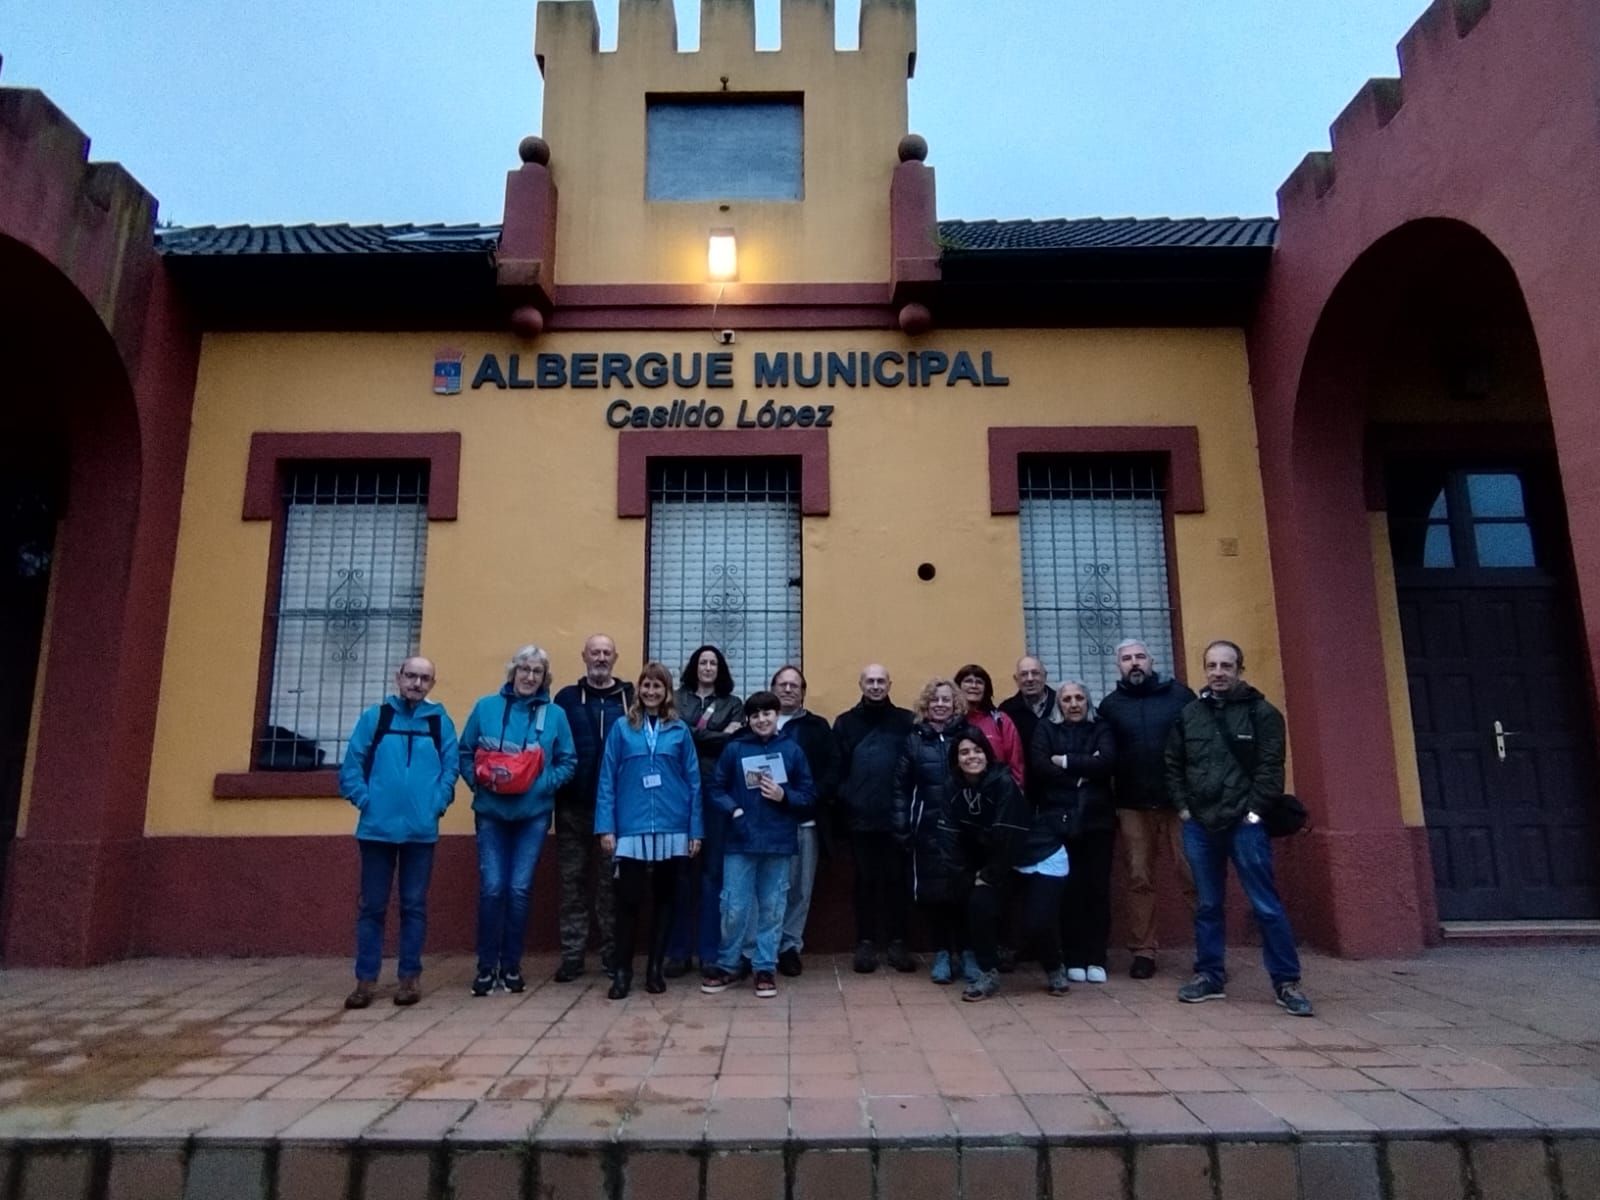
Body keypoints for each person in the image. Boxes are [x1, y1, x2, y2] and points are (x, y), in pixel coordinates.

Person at [1165, 640, 1313, 1017]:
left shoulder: (1263, 713)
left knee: (1265, 903)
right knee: (1208, 904)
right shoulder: (1190, 714)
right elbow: (1174, 763)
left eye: (1226, 666)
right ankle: (1209, 975)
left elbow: (1270, 768)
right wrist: (1183, 807)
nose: (1218, 673)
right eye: (1212, 666)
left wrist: (1253, 813)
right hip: (1201, 823)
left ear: (1239, 670)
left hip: (1244, 824)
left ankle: (1286, 981)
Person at [338, 656, 459, 1009]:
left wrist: (437, 803)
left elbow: (451, 769)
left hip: (421, 832)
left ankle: (409, 977)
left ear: (432, 684)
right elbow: (351, 766)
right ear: (398, 678)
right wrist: (365, 800)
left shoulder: (440, 722)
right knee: (372, 907)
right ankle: (365, 981)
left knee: (414, 906)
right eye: (411, 676)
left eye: (424, 678)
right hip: (376, 830)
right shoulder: (376, 718)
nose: (417, 683)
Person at [459, 645, 576, 997]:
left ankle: (511, 966)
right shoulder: (486, 708)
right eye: (524, 669)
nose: (529, 677)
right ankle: (485, 966)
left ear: (544, 678)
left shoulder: (554, 715)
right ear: (512, 672)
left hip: (533, 815)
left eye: (537, 672)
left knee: (519, 889)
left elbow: (568, 761)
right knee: (493, 888)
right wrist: (480, 783)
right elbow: (465, 752)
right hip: (492, 813)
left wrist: (541, 787)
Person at [593, 662, 702, 999]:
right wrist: (606, 827)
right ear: (638, 690)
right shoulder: (622, 728)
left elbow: (694, 782)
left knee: (666, 898)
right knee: (628, 900)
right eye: (646, 686)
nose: (651, 692)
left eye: (658, 686)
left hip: (672, 825)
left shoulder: (679, 730)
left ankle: (655, 968)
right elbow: (607, 779)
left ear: (667, 692)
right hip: (632, 826)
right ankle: (623, 972)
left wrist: (695, 830)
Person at [701, 690, 815, 999]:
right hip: (740, 840)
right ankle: (728, 964)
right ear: (748, 720)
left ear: (777, 715)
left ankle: (765, 967)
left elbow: (808, 794)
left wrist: (784, 796)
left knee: (773, 907)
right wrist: (734, 810)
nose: (762, 720)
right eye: (755, 715)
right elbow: (715, 786)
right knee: (734, 907)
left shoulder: (792, 751)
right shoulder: (735, 749)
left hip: (778, 841)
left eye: (767, 713)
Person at [1096, 638, 1197, 980]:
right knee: (1139, 878)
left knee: (1192, 875)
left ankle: (1209, 950)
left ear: (1152, 661)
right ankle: (1143, 951)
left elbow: (1198, 746)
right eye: (1127, 658)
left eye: (1140, 657)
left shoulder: (1181, 697)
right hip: (1131, 804)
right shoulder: (1110, 706)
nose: (1134, 663)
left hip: (1179, 805)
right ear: (1118, 666)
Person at [946, 729, 1060, 1001]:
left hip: (1039, 856)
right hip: (1002, 861)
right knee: (979, 906)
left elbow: (1009, 837)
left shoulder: (1004, 782)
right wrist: (965, 873)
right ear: (956, 759)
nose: (972, 756)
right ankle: (988, 973)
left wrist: (987, 875)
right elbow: (949, 834)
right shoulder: (952, 787)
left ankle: (1055, 967)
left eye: (977, 750)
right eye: (964, 752)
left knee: (1037, 921)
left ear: (987, 754)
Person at [551, 634, 632, 983]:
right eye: (594, 652)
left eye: (606, 653)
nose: (600, 658)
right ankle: (572, 955)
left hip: (616, 810)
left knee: (610, 886)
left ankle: (612, 955)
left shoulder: (631, 699)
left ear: (615, 657)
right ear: (583, 656)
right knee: (572, 884)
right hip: (573, 806)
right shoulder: (566, 699)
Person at [1029, 681, 1117, 984]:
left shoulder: (1101, 728)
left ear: (1088, 702)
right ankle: (1073, 955)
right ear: (1059, 705)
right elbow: (1039, 765)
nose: (1074, 703)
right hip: (1059, 821)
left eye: (1080, 697)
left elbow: (1106, 762)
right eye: (1067, 699)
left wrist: (1065, 761)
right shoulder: (1045, 729)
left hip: (1097, 821)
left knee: (1096, 889)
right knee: (1068, 890)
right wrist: (1079, 777)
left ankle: (1097, 957)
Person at [666, 646, 746, 977]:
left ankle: (710, 952)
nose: (708, 667)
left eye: (714, 663)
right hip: (678, 792)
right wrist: (714, 734)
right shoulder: (676, 698)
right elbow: (677, 733)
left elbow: (733, 741)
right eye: (703, 662)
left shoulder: (734, 703)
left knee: (714, 875)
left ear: (721, 669)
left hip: (716, 792)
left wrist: (695, 733)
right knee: (679, 875)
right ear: (693, 667)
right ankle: (678, 952)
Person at [834, 663, 917, 973]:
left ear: (890, 684)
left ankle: (898, 943)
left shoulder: (906, 721)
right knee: (864, 882)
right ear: (861, 684)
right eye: (870, 681)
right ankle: (865, 943)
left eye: (881, 680)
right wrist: (850, 796)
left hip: (898, 817)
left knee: (898, 882)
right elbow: (837, 768)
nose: (876, 686)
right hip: (860, 819)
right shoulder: (845, 723)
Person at [892, 677, 975, 985]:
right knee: (935, 895)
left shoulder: (969, 735)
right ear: (926, 705)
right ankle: (941, 953)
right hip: (927, 828)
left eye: (947, 700)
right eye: (935, 700)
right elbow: (901, 786)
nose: (941, 705)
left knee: (965, 894)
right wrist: (902, 824)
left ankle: (967, 953)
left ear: (956, 704)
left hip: (965, 831)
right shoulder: (914, 739)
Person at [765, 665, 839, 977]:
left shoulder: (818, 727)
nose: (788, 689)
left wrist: (810, 799)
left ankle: (789, 947)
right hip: (764, 823)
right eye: (782, 684)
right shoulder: (758, 721)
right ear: (772, 688)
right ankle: (762, 948)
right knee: (767, 888)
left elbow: (832, 770)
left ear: (803, 691)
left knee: (799, 889)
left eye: (794, 685)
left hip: (804, 821)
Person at [954, 664, 1025, 788]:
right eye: (968, 681)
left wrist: (1016, 791)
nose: (974, 686)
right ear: (958, 687)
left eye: (979, 682)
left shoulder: (1000, 720)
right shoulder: (950, 721)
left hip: (998, 792)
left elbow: (1015, 761)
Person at [999, 655, 1056, 754]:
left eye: (1035, 673)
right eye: (1024, 674)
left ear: (1045, 676)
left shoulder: (1061, 704)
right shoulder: (1006, 710)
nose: (1030, 679)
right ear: (1016, 679)